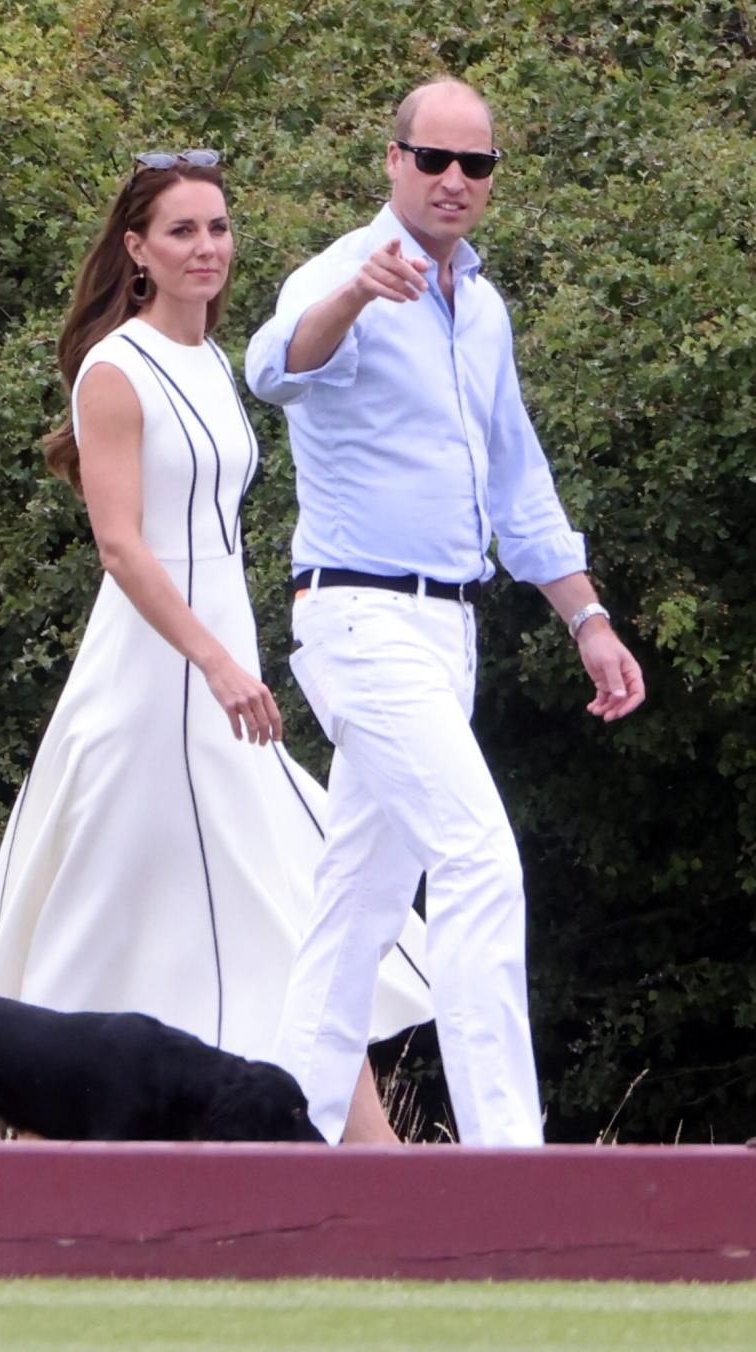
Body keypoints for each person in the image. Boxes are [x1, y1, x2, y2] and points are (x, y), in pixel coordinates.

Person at [0, 150, 432, 1142]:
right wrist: (216, 659)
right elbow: (120, 543)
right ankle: (42, 1163)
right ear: (136, 249)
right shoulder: (114, 368)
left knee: (297, 899)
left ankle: (383, 1169)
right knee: (121, 916)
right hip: (156, 685)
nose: (207, 247)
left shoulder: (214, 361)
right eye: (182, 230)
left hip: (224, 681)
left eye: (218, 227)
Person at [245, 79, 646, 1148]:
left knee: (360, 901)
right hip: (359, 620)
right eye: (434, 160)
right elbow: (273, 365)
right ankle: (507, 1156)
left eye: (478, 166)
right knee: (477, 856)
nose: (456, 181)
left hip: (447, 628)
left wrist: (587, 618)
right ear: (392, 160)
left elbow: (519, 482)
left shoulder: (484, 307)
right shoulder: (344, 274)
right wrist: (357, 300)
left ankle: (284, 1140)